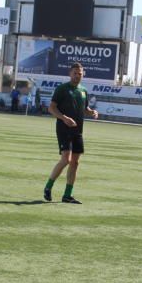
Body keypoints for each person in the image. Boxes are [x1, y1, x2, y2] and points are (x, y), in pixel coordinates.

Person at [44, 63, 98, 203]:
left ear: (83, 75)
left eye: (80, 73)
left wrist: (91, 112)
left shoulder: (83, 91)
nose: (77, 76)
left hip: (78, 130)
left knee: (75, 162)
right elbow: (51, 108)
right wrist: (64, 118)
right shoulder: (62, 89)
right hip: (63, 128)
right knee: (66, 159)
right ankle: (48, 187)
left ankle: (67, 195)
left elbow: (84, 108)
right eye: (75, 73)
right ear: (70, 74)